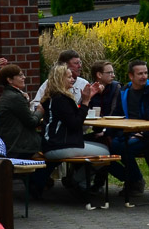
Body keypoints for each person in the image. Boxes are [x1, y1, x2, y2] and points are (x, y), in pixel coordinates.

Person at [40, 64, 109, 197]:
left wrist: (87, 99)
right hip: (60, 146)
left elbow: (72, 116)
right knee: (105, 152)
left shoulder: (52, 97)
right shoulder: (61, 99)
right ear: (60, 79)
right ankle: (77, 182)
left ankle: (79, 183)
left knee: (100, 146)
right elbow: (75, 124)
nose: (73, 79)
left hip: (51, 144)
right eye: (69, 77)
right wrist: (85, 102)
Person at [111, 60, 149, 205]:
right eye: (140, 73)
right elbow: (117, 114)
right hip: (127, 131)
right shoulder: (124, 91)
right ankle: (132, 178)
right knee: (108, 146)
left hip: (148, 134)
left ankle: (135, 181)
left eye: (146, 73)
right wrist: (106, 132)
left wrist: (143, 131)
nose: (144, 76)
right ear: (131, 76)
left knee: (124, 147)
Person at [0, 64, 48, 198]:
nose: (24, 77)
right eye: (20, 75)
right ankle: (36, 184)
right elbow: (31, 122)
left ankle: (36, 183)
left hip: (13, 141)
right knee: (53, 150)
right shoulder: (14, 97)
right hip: (20, 144)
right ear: (9, 80)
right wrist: (40, 112)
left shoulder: (9, 95)